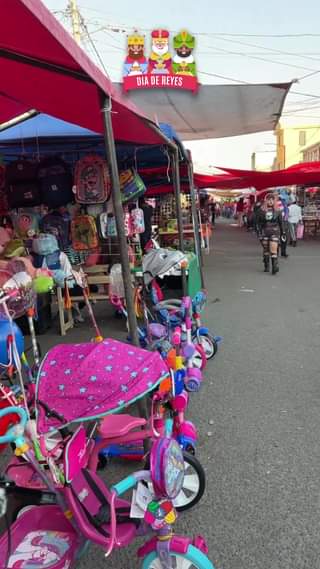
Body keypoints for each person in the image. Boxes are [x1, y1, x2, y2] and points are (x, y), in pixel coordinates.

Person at [256, 193, 284, 275]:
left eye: (272, 199)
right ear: (266, 200)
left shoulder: (278, 211)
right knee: (266, 250)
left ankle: (274, 267)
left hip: (274, 231)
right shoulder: (261, 211)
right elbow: (257, 223)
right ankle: (266, 266)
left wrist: (283, 232)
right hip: (264, 232)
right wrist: (259, 233)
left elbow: (281, 223)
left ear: (274, 201)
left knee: (273, 249)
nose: (270, 201)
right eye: (269, 199)